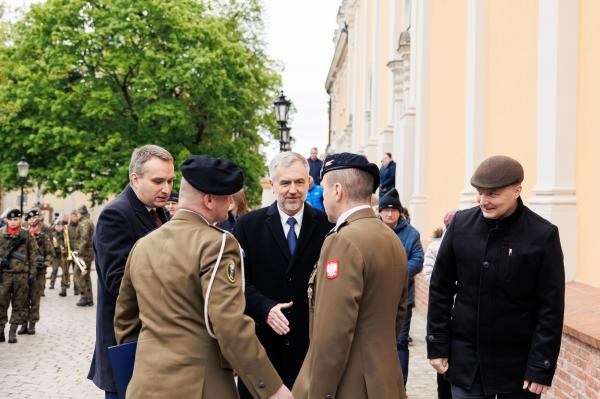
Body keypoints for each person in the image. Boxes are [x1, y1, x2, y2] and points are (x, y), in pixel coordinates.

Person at [114, 155, 293, 399]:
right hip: (201, 387)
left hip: (145, 385)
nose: (231, 203)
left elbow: (125, 322)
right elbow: (229, 325)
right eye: (227, 196)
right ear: (209, 199)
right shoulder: (218, 244)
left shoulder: (143, 245)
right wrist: (272, 389)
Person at [427, 155, 565, 399]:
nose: (483, 201)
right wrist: (437, 344)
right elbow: (440, 288)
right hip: (465, 364)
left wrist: (540, 366)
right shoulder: (460, 225)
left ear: (517, 190)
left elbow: (550, 308)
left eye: (492, 194)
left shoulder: (543, 235)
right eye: (480, 193)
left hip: (517, 371)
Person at [292, 152, 408, 399]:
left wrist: (319, 393)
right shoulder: (391, 238)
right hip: (386, 381)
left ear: (337, 190)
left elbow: (332, 331)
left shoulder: (343, 240)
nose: (322, 197)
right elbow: (398, 313)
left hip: (351, 386)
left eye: (323, 189)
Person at [234, 151, 333, 398]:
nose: (292, 190)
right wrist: (265, 308)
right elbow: (237, 283)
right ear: (272, 184)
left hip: (310, 350)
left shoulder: (327, 226)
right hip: (263, 348)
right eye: (285, 183)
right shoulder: (248, 225)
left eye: (299, 182)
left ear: (309, 183)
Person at [88, 144, 174, 399]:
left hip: (152, 343)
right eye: (158, 181)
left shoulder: (157, 212)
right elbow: (118, 283)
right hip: (127, 343)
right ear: (135, 179)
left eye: (170, 180)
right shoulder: (116, 214)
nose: (166, 189)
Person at [379, 188, 424, 385]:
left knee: (399, 342)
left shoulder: (412, 234)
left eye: (393, 210)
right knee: (377, 342)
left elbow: (418, 260)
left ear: (400, 212)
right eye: (385, 210)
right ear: (379, 211)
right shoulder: (371, 230)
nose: (389, 214)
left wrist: (395, 273)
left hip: (403, 298)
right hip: (375, 298)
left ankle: (400, 385)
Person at [422, 209, 456, 399]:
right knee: (443, 378)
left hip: (460, 315)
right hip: (445, 311)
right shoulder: (436, 247)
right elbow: (429, 274)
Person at [0, 209, 39, 343]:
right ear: (7, 220)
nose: (13, 222)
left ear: (20, 220)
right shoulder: (1, 234)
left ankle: (12, 332)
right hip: (4, 275)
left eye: (16, 219)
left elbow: (33, 254)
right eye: (10, 220)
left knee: (19, 304)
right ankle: (0, 330)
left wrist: (32, 273)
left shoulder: (26, 234)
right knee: (1, 303)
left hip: (21, 275)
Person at [20, 208, 54, 335]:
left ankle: (32, 324)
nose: (33, 220)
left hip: (39, 273)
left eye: (35, 218)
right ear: (27, 221)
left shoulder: (43, 236)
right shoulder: (23, 235)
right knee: (23, 299)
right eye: (31, 218)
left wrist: (45, 264)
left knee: (34, 299)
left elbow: (50, 253)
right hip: (24, 271)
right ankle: (23, 324)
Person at [74, 205, 95, 307]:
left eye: (77, 213)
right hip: (88, 253)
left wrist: (80, 254)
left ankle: (84, 297)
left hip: (84, 254)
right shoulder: (88, 221)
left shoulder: (84, 223)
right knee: (86, 276)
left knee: (78, 275)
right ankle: (89, 298)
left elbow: (84, 239)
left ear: (80, 213)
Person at [67, 210, 80, 295]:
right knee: (65, 271)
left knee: (76, 272)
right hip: (68, 252)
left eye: (76, 216)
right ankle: (64, 288)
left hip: (77, 253)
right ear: (71, 217)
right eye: (73, 216)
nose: (74, 218)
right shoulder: (67, 227)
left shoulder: (80, 226)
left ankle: (77, 289)